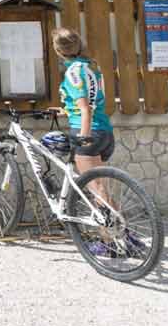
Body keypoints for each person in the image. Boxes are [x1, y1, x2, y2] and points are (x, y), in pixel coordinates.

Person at [52, 27, 141, 257]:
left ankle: (111, 242)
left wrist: (83, 136)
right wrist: (65, 111)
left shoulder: (72, 72)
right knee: (101, 189)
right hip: (105, 133)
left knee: (97, 191)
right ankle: (125, 236)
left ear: (59, 51)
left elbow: (85, 109)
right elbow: (93, 102)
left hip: (89, 133)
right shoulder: (92, 67)